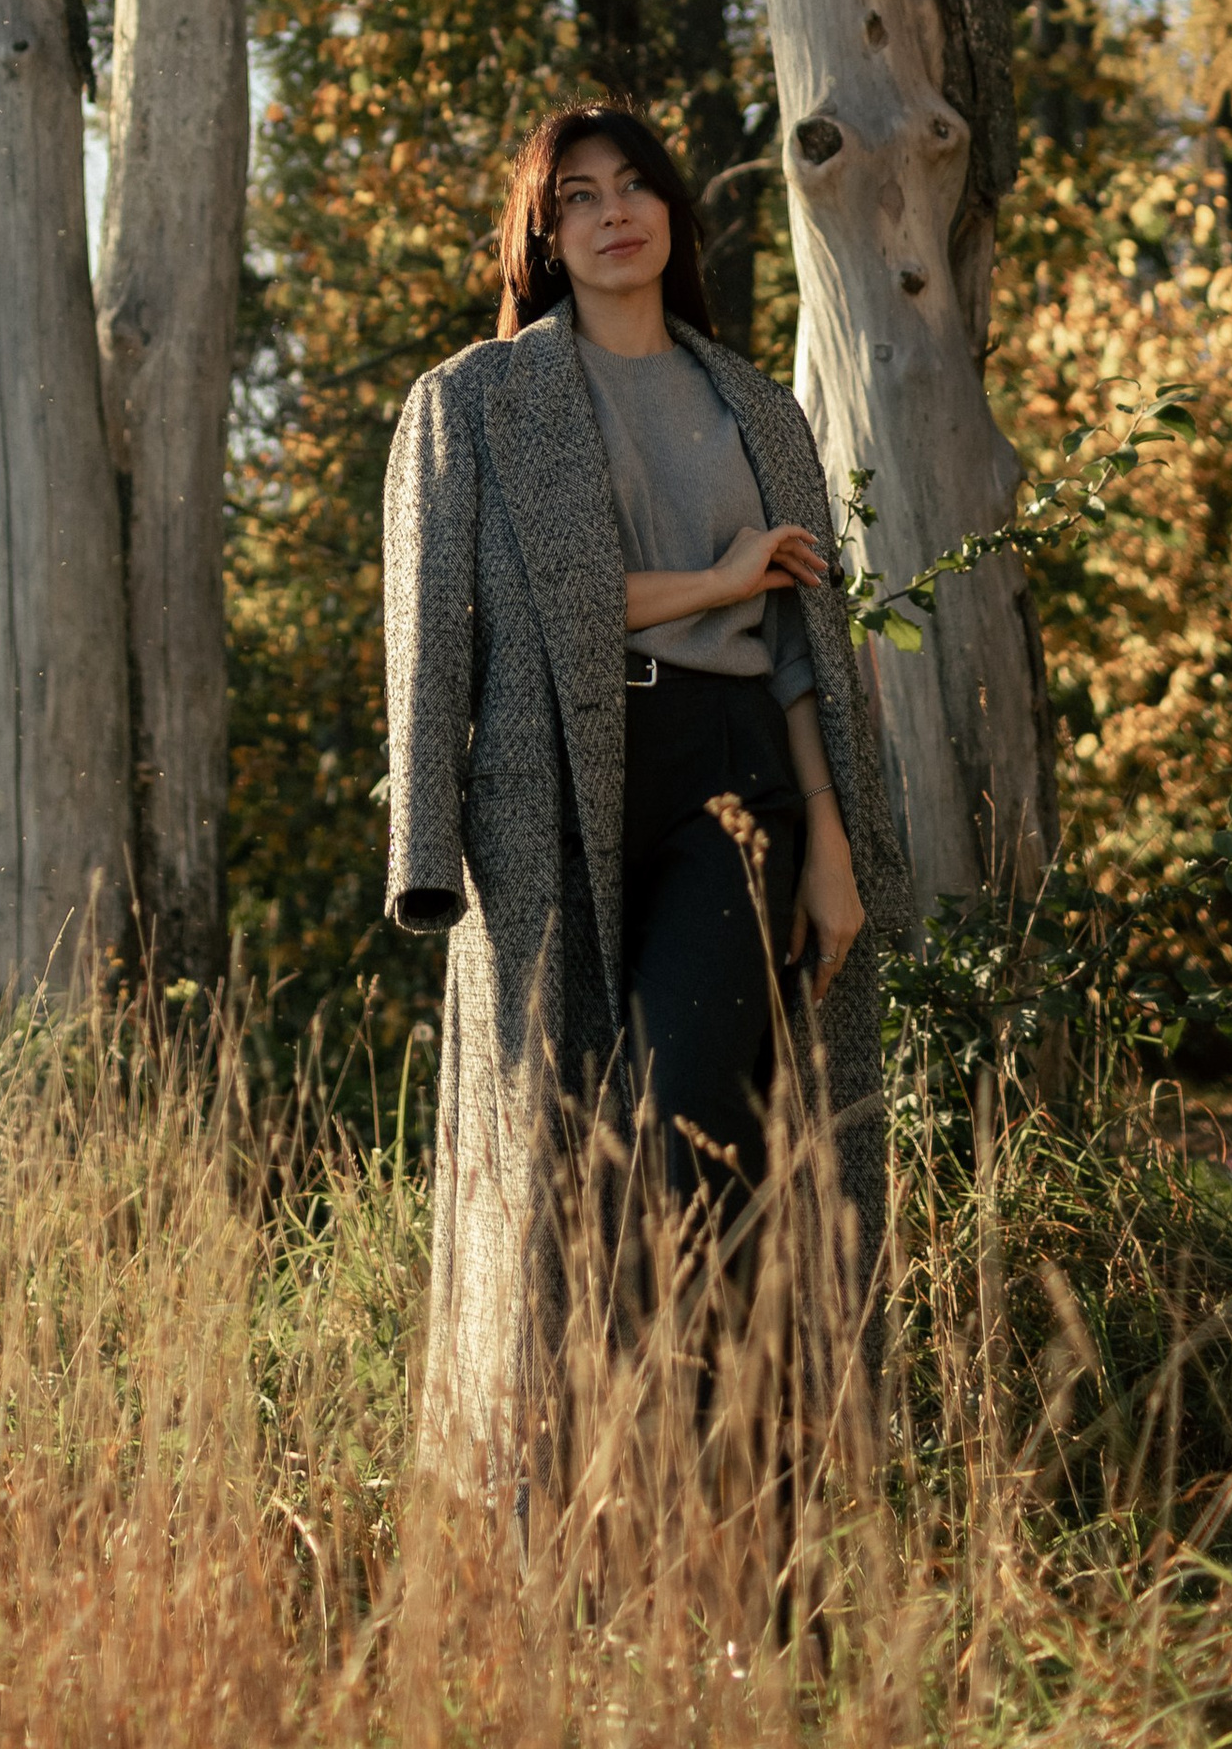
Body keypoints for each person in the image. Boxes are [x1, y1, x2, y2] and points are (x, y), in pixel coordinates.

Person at [381, 103, 910, 1463]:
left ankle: (741, 1490)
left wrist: (833, 850)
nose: (615, 213)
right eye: (577, 197)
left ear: (675, 213)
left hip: (733, 781)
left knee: (689, 1135)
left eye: (637, 187)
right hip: (549, 793)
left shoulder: (753, 404)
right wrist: (425, 847)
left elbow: (802, 648)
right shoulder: (479, 400)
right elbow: (459, 624)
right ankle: (575, 1502)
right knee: (564, 1156)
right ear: (544, 235)